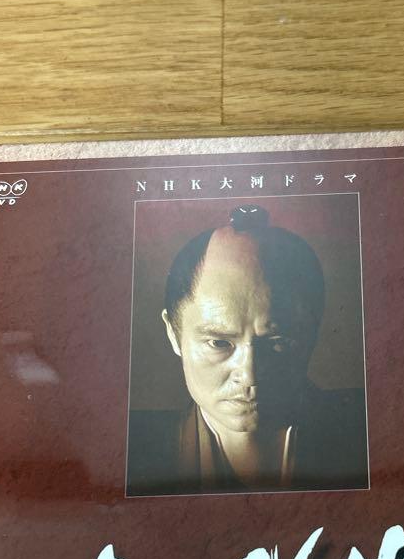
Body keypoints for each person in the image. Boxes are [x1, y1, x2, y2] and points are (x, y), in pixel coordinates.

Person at [127, 204, 368, 496]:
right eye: (219, 343)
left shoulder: (369, 430)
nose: (250, 375)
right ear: (173, 333)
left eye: (278, 342)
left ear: (312, 332)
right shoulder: (131, 451)